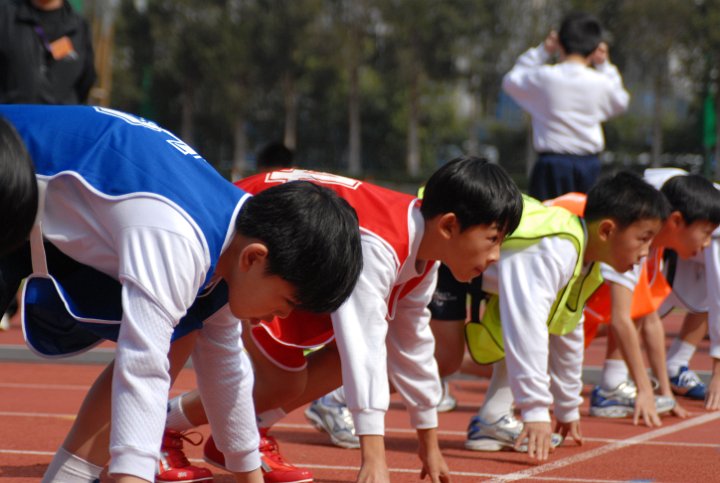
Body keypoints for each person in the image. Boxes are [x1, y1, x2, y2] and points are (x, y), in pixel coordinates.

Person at [0, 105, 363, 483]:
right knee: (168, 338)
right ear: (256, 259)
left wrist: (248, 474)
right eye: (287, 304)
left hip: (35, 210)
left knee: (187, 325)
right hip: (11, 178)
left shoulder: (232, 243)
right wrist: (133, 475)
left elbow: (226, 369)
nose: (278, 319)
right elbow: (143, 365)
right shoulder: (179, 239)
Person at [161, 158, 524, 483]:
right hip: (243, 243)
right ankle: (161, 427)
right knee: (280, 379)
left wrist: (429, 444)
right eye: (493, 239)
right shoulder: (380, 244)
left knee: (326, 365)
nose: (495, 256)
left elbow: (412, 347)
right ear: (448, 226)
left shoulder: (424, 258)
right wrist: (374, 459)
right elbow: (362, 347)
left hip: (291, 257)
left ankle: (240, 437)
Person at [459, 172, 669, 461]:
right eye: (643, 239)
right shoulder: (554, 250)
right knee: (443, 356)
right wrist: (535, 412)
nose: (646, 253)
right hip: (445, 251)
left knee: (533, 335)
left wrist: (567, 407)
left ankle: (491, 419)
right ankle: (375, 403)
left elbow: (568, 326)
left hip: (469, 271)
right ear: (607, 231)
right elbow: (527, 326)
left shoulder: (587, 261)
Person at [584, 169, 720, 426]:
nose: (706, 244)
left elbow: (649, 319)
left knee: (637, 309)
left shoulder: (651, 247)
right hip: (558, 300)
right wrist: (646, 390)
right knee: (495, 362)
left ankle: (612, 386)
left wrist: (665, 394)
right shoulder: (633, 241)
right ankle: (610, 388)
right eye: (706, 232)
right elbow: (622, 320)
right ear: (677, 221)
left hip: (573, 308)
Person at [502, 11, 630, 200]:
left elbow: (511, 81)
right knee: (587, 225)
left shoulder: (545, 77)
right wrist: (604, 65)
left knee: (547, 224)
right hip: (589, 165)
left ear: (559, 43)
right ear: (595, 48)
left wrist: (543, 51)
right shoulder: (601, 82)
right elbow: (621, 101)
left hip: (551, 165)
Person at [0, 0, 97, 104]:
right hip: (11, 117)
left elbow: (85, 82)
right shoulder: (5, 16)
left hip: (61, 118)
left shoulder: (80, 28)